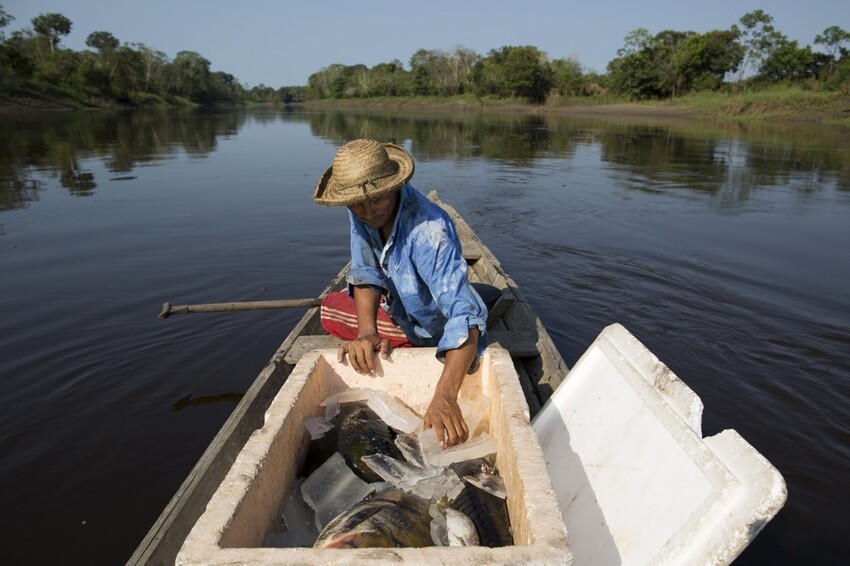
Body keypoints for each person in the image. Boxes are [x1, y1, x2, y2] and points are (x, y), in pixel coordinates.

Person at [312, 138, 488, 448]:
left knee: (329, 310)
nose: (367, 212)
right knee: (339, 311)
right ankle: (387, 333)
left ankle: (414, 341)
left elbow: (464, 317)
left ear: (393, 186)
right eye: (357, 203)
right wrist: (367, 333)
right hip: (399, 307)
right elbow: (365, 270)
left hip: (434, 328)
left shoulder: (428, 233)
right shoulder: (362, 209)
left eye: (376, 200)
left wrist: (444, 396)